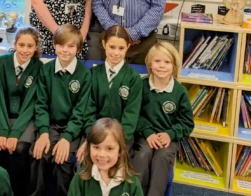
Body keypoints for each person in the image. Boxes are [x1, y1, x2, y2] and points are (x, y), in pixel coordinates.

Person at [30, 24, 91, 196]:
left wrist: (67, 137)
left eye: (71, 46)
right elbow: (41, 104)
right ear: (54, 45)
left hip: (72, 129)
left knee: (63, 160)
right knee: (39, 154)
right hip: (49, 125)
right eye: (61, 45)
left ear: (78, 48)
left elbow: (80, 112)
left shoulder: (84, 74)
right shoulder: (46, 70)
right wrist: (43, 132)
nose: (65, 50)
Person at [132, 42, 194, 196]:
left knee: (161, 157)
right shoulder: (141, 85)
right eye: (157, 61)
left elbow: (186, 123)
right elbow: (134, 114)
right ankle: (138, 192)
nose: (162, 66)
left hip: (168, 138)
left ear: (174, 66)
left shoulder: (180, 92)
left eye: (167, 62)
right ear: (149, 64)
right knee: (142, 154)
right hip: (146, 135)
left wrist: (170, 134)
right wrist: (147, 132)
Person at [0, 26, 44, 196]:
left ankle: (19, 192)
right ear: (15, 43)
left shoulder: (38, 66)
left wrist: (14, 133)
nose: (25, 50)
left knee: (20, 148)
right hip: (3, 118)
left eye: (30, 46)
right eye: (21, 45)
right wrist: (4, 131)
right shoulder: (1, 62)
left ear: (36, 47)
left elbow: (31, 103)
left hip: (26, 120)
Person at [77, 25, 142, 162]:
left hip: (121, 138)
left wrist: (115, 141)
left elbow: (131, 115)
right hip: (95, 134)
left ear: (128, 47)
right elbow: (88, 110)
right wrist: (92, 136)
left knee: (115, 165)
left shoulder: (133, 78)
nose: (116, 53)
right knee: (83, 162)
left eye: (121, 48)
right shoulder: (93, 74)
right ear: (104, 44)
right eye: (112, 47)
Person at [68, 118, 143, 196]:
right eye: (96, 147)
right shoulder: (80, 179)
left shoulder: (132, 184)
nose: (102, 154)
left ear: (120, 151)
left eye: (109, 148)